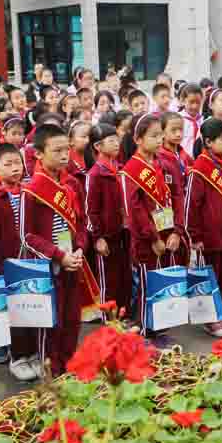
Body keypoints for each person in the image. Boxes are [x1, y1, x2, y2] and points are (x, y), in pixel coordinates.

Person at [20, 124, 88, 377]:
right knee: (50, 321)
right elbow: (27, 237)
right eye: (56, 150)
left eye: (66, 149)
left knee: (71, 318)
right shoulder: (32, 190)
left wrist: (79, 249)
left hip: (72, 261)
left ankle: (69, 367)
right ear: (38, 153)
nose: (64, 155)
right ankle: (52, 372)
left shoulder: (72, 184)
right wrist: (59, 255)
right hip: (47, 267)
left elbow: (81, 222)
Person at [122, 114, 185, 337]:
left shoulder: (166, 164)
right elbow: (135, 210)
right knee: (146, 281)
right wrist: (153, 238)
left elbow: (177, 197)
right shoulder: (131, 170)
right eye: (154, 136)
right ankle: (143, 325)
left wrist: (177, 231)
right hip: (146, 239)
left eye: (160, 135)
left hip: (168, 233)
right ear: (138, 139)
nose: (159, 140)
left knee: (164, 279)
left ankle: (158, 324)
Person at [0, 143, 39, 382]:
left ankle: (34, 353)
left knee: (32, 308)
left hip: (30, 261)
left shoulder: (29, 192)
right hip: (7, 263)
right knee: (14, 313)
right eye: (8, 164)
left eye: (18, 162)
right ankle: (18, 357)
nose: (15, 168)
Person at [186, 118, 222, 337]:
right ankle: (210, 319)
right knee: (209, 277)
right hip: (208, 236)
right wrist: (194, 235)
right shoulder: (199, 168)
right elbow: (191, 205)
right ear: (208, 142)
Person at [86, 123, 131, 316]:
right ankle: (109, 321)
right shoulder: (95, 174)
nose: (116, 143)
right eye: (111, 141)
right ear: (98, 146)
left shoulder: (118, 169)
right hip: (106, 236)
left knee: (123, 278)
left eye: (117, 139)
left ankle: (122, 318)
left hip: (123, 233)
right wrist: (97, 237)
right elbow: (91, 210)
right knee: (108, 281)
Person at [178, 83, 204, 156]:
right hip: (183, 159)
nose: (195, 106)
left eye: (198, 102)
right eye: (191, 102)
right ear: (183, 101)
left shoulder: (203, 120)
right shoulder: (177, 120)